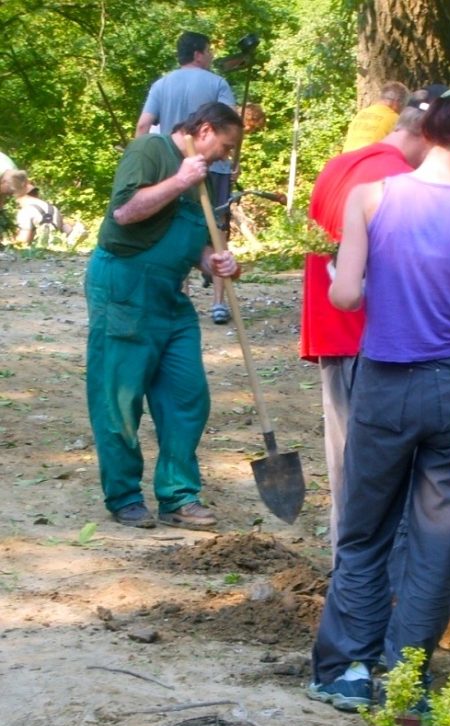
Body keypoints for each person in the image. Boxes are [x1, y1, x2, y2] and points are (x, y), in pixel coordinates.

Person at [308, 88, 450, 711]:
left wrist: (340, 279)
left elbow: (348, 298)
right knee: (436, 540)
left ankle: (346, 669)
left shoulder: (371, 196)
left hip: (383, 384)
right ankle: (407, 675)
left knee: (365, 532)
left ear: (427, 131)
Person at [85, 103, 242, 531]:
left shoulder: (202, 175)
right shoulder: (150, 151)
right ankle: (124, 496)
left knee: (187, 395)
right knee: (119, 397)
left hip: (170, 297)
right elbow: (125, 214)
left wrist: (214, 263)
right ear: (205, 130)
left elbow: (189, 239)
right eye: (224, 147)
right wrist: (180, 180)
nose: (224, 157)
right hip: (125, 287)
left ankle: (177, 496)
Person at [301, 90, 436, 554]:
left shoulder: (339, 165)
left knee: (346, 457)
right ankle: (370, 572)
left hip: (331, 330)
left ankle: (349, 565)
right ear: (427, 138)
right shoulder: (395, 179)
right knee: (379, 461)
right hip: (371, 336)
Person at [135, 31, 237, 326]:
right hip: (211, 169)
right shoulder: (217, 83)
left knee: (174, 229)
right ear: (198, 54)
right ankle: (218, 304)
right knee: (217, 233)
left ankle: (180, 298)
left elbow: (143, 126)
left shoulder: (161, 84)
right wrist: (229, 158)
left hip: (171, 168)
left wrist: (144, 160)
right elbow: (229, 126)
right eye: (210, 51)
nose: (213, 57)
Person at [5, 170, 86, 248]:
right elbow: (62, 227)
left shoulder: (26, 212)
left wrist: (11, 242)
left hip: (39, 250)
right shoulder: (52, 208)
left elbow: (24, 241)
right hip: (55, 244)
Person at [341, 81, 410, 153]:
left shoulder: (362, 113)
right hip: (370, 160)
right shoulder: (394, 118)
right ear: (397, 103)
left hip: (347, 160)